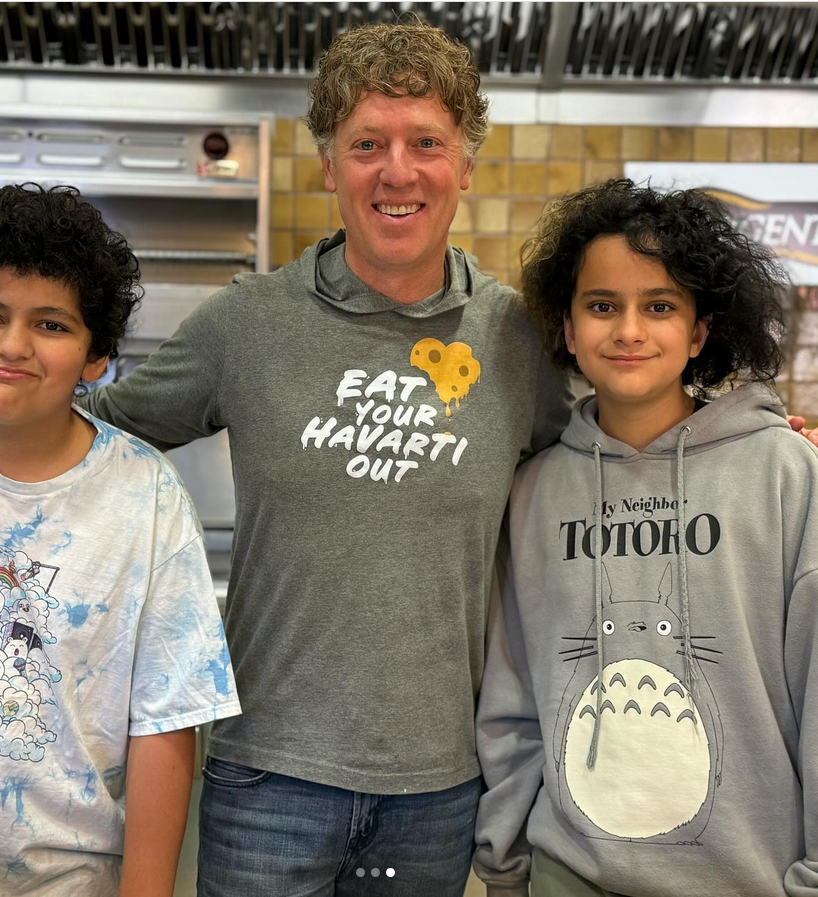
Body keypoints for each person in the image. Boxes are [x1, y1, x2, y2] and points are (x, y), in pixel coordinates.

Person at [78, 18, 574, 897]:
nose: (396, 171)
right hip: (266, 777)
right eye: (366, 144)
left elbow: (610, 455)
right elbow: (93, 434)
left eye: (426, 142)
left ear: (464, 165)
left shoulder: (516, 338)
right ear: (327, 165)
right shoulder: (248, 324)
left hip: (438, 787)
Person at [473, 179, 818, 897]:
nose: (628, 329)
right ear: (566, 329)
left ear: (698, 332)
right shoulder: (531, 492)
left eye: (658, 306)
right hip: (567, 873)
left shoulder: (784, 471)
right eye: (602, 306)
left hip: (749, 879)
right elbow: (512, 691)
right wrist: (505, 861)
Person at [0, 184, 241, 897]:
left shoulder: (144, 495)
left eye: (51, 324)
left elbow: (164, 720)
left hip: (69, 881)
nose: (12, 344)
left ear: (96, 357)